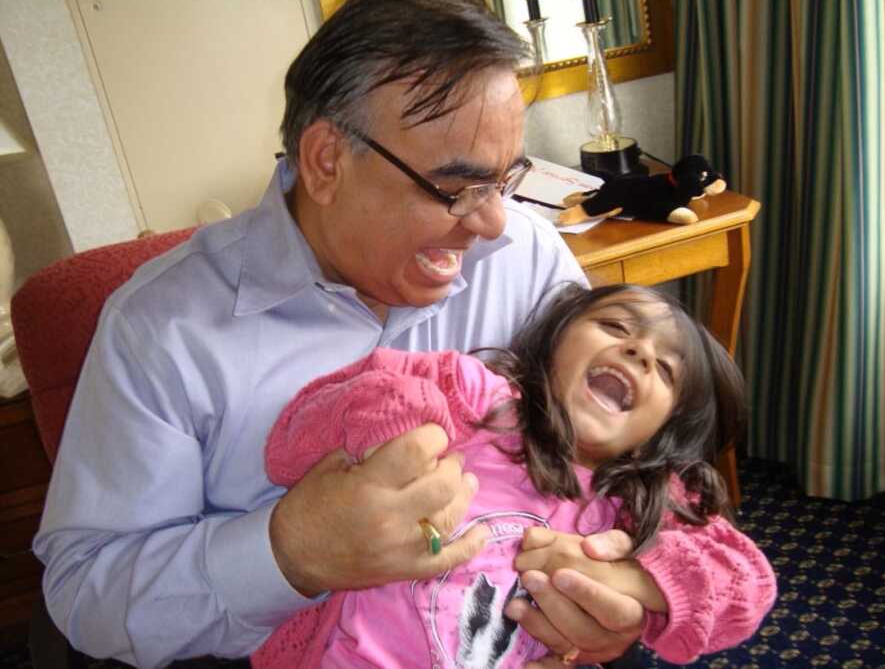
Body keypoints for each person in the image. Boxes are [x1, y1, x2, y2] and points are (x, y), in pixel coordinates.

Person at [33, 0, 655, 667]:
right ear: (327, 160)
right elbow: (86, 591)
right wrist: (288, 552)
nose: (494, 224)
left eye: (506, 180)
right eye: (455, 188)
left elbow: (639, 460)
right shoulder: (160, 331)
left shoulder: (527, 260)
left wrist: (624, 585)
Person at [250, 283, 777, 668]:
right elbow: (289, 445)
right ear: (555, 339)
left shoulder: (642, 499)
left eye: (666, 370)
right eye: (616, 327)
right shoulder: (475, 396)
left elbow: (747, 589)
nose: (640, 352)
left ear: (665, 427)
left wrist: (635, 577)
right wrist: (393, 418)